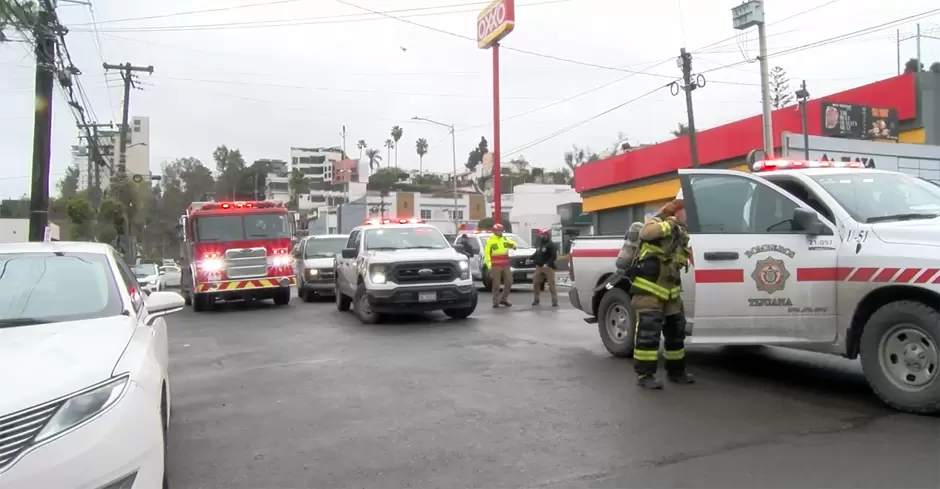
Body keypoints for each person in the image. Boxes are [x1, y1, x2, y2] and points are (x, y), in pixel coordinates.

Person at [631, 194, 694, 389]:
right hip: (649, 290)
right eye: (686, 212)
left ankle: (676, 371)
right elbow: (646, 234)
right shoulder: (658, 222)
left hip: (671, 292)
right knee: (649, 333)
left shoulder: (683, 233)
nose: (689, 217)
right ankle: (645, 376)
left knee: (676, 332)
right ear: (676, 210)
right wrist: (670, 225)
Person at [483, 223, 516, 308]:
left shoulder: (504, 239)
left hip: (505, 265)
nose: (501, 232)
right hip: (495, 266)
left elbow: (512, 243)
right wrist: (489, 264)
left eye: (501, 230)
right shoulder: (490, 241)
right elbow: (486, 254)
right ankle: (495, 301)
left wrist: (514, 245)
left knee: (509, 281)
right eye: (499, 230)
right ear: (494, 231)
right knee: (496, 284)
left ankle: (503, 299)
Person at [530, 228, 558, 307]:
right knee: (536, 283)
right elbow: (536, 254)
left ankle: (554, 301)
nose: (543, 236)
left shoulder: (551, 244)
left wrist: (548, 263)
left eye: (544, 235)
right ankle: (536, 300)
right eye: (542, 235)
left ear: (548, 235)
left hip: (548, 267)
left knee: (551, 284)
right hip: (539, 267)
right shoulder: (540, 244)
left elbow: (554, 256)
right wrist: (530, 259)